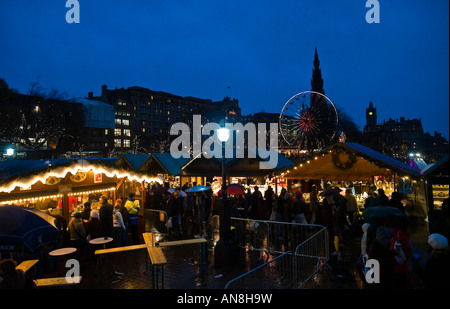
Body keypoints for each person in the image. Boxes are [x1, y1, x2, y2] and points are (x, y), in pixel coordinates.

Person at [385, 214, 412, 288]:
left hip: (387, 269)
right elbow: (408, 251)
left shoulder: (382, 234)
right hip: (400, 268)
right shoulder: (400, 234)